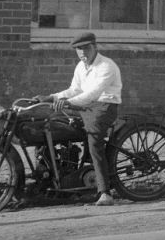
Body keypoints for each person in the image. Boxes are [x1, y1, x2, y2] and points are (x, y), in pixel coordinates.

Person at [39, 32, 122, 206]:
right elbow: (74, 90)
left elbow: (92, 94)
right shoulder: (80, 66)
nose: (83, 52)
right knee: (50, 124)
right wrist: (52, 97)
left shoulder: (106, 66)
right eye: (78, 49)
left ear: (95, 47)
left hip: (104, 106)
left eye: (86, 48)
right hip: (83, 105)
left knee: (94, 142)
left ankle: (105, 192)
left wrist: (66, 103)